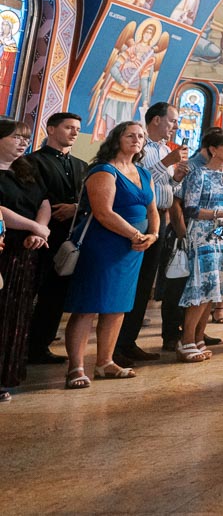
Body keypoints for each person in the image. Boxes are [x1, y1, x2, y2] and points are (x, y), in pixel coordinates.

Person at [63, 121, 159, 388]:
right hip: (104, 246)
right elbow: (104, 212)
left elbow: (152, 210)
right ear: (117, 139)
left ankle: (105, 362)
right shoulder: (104, 171)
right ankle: (76, 367)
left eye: (141, 136)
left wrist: (153, 234)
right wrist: (135, 235)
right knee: (88, 306)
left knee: (118, 307)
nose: (137, 140)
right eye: (130, 135)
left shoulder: (143, 173)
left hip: (133, 249)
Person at [113, 101, 184, 367]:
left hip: (161, 217)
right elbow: (140, 180)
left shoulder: (166, 149)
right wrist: (167, 163)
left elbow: (165, 187)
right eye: (172, 120)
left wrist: (176, 177)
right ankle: (117, 344)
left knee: (145, 285)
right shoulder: (141, 149)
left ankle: (129, 342)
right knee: (132, 282)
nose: (175, 126)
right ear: (156, 120)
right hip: (139, 218)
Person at [24, 113, 88, 365]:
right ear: (51, 129)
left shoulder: (82, 165)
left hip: (70, 239)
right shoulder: (32, 162)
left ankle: (40, 345)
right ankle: (20, 343)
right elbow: (32, 197)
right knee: (30, 291)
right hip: (40, 236)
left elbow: (87, 199)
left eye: (77, 129)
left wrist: (76, 206)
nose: (74, 132)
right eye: (68, 127)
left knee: (56, 295)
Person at [176, 129, 223, 364]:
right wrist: (219, 214)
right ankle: (186, 339)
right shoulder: (198, 174)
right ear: (213, 149)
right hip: (201, 233)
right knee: (201, 285)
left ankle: (199, 337)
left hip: (222, 234)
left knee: (214, 287)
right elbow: (191, 209)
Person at [0, 120, 50, 402]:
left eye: (26, 138)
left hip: (26, 251)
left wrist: (39, 232)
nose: (23, 143)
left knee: (16, 317)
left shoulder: (26, 170)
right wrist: (34, 228)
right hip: (4, 247)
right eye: (16, 137)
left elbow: (43, 201)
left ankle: (5, 377)